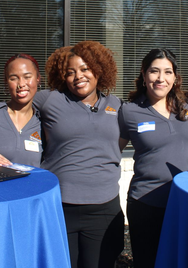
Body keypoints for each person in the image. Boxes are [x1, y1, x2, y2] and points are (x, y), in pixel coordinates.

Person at [34, 41, 125, 268]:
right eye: (70, 72)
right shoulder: (49, 100)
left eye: (85, 69)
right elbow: (11, 111)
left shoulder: (117, 105)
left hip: (104, 209)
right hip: (59, 207)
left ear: (99, 70)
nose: (78, 77)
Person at [118, 48, 188, 267]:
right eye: (154, 72)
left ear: (175, 77)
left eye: (167, 72)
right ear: (144, 75)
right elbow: (111, 151)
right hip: (147, 203)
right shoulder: (129, 111)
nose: (161, 78)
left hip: (187, 202)